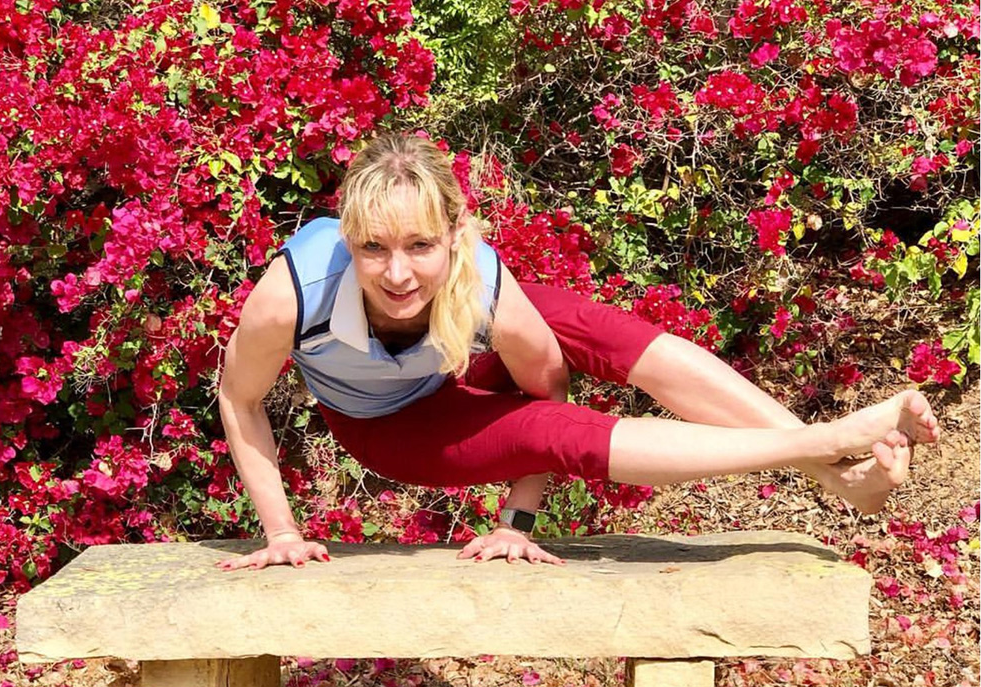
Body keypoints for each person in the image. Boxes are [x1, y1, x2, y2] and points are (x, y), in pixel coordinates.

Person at [215, 133, 941, 572]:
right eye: (373, 248)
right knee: (549, 430)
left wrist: (517, 520)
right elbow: (239, 397)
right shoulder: (296, 294)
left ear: (457, 236)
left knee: (590, 329)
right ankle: (823, 444)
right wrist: (281, 532)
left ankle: (838, 474)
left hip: (466, 353)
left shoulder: (484, 280)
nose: (397, 272)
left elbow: (547, 382)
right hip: (390, 424)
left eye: (420, 245)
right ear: (348, 237)